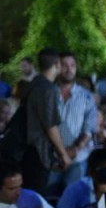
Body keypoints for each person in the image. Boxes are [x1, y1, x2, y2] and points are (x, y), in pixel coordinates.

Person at [20, 49, 72, 196]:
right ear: (57, 64)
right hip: (39, 152)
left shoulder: (32, 84)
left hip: (25, 149)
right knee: (36, 196)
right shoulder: (48, 89)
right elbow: (50, 125)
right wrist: (63, 154)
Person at [51, 50, 98, 192]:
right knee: (46, 198)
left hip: (78, 159)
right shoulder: (49, 94)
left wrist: (75, 149)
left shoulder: (86, 96)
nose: (69, 69)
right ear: (57, 67)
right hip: (52, 158)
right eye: (64, 65)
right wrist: (61, 153)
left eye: (72, 65)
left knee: (73, 196)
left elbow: (90, 127)